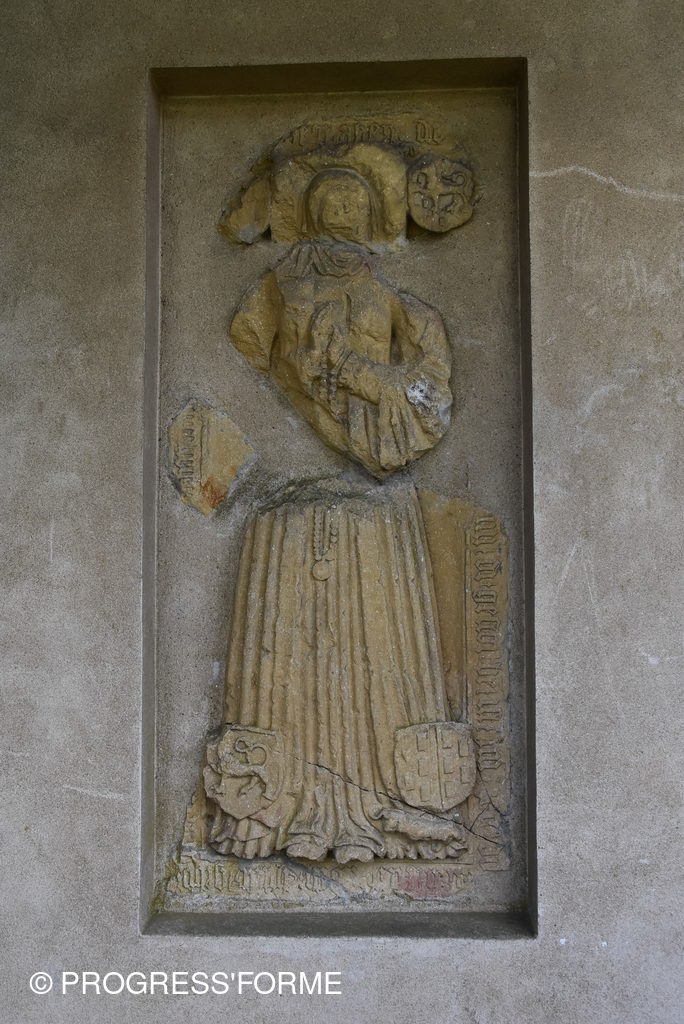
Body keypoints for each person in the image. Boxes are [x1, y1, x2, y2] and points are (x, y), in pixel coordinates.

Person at [203, 168, 466, 863]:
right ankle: (283, 803)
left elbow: (429, 379)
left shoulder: (390, 293)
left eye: (357, 198)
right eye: (332, 197)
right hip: (297, 483)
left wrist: (363, 376)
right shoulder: (280, 284)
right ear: (311, 209)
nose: (346, 207)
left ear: (374, 211)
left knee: (377, 642)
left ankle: (377, 801)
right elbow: (250, 337)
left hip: (372, 473)